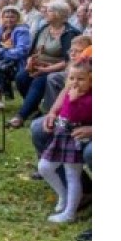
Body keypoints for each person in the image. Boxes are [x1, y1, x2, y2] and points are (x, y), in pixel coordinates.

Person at [6, 0, 80, 128]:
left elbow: (69, 61)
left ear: (58, 14)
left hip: (58, 68)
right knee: (21, 78)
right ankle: (34, 109)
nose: (45, 12)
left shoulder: (69, 33)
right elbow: (33, 50)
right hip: (40, 65)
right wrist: (30, 61)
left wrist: (47, 70)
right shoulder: (44, 28)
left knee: (38, 81)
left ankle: (20, 116)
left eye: (49, 10)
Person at [36, 57, 92, 223]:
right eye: (71, 78)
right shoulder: (70, 91)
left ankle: (69, 213)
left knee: (71, 174)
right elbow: (62, 109)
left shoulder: (88, 99)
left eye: (81, 79)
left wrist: (74, 101)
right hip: (61, 136)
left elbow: (75, 114)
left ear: (91, 79)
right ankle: (64, 195)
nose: (75, 83)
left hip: (74, 138)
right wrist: (53, 114)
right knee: (44, 167)